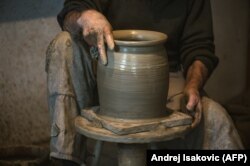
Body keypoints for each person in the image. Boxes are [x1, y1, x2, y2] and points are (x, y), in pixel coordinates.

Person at [46, 0, 244, 165]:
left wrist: (193, 86)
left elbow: (200, 47)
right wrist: (84, 16)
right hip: (105, 71)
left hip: (164, 79)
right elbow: (70, 14)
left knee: (216, 118)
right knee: (64, 43)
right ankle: (66, 158)